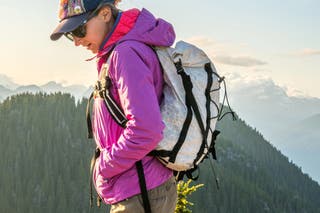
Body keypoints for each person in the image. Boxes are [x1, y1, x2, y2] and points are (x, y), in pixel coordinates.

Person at [50, 0, 177, 212]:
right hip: (138, 187)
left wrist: (104, 166)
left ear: (106, 14)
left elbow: (146, 130)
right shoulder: (118, 52)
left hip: (140, 192)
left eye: (80, 29)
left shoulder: (125, 54)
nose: (77, 41)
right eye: (70, 34)